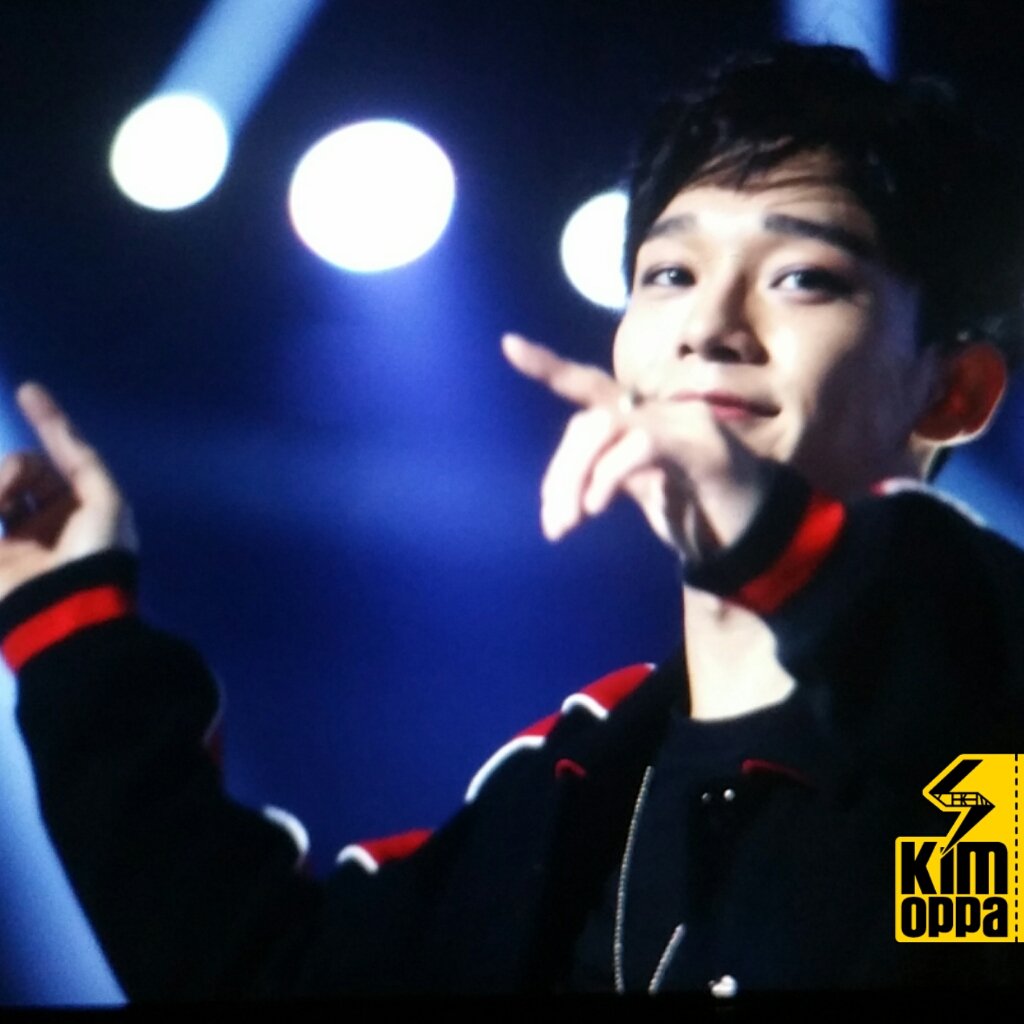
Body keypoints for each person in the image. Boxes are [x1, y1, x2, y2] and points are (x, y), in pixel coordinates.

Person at [2, 43, 1023, 996]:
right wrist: (71, 628)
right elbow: (266, 971)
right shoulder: (571, 787)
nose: (707, 328)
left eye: (804, 279)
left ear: (954, 392)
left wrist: (778, 539)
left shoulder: (982, 764)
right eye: (669, 275)